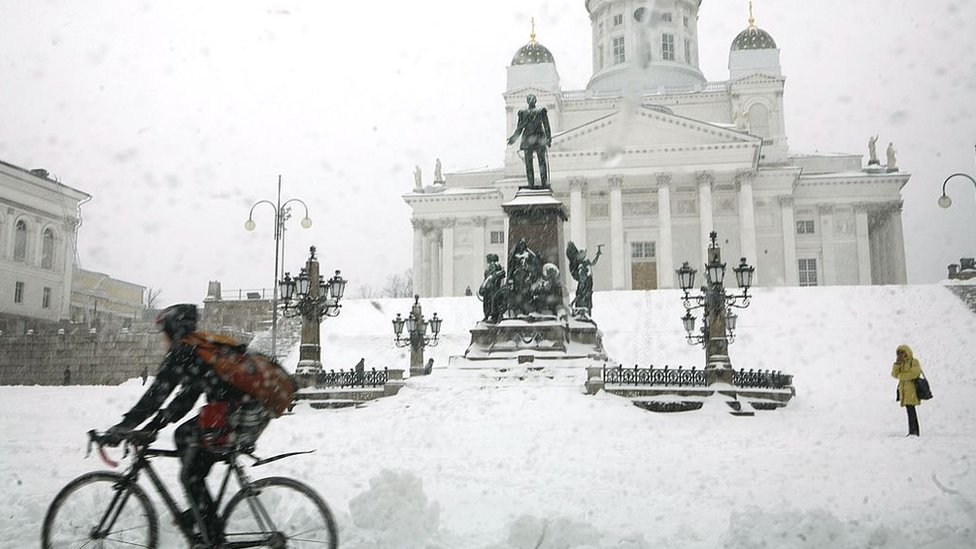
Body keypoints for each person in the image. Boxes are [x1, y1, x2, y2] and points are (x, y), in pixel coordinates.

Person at [103, 304, 266, 545]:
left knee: (190, 470)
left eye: (163, 333)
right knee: (185, 442)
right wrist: (154, 425)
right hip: (251, 413)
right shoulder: (198, 351)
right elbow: (185, 400)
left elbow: (156, 395)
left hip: (239, 414)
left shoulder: (183, 351)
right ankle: (203, 514)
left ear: (172, 329)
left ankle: (211, 533)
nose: (162, 340)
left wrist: (125, 427)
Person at [507, 94, 552, 188]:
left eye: (533, 99)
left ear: (535, 100)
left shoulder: (541, 111)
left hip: (539, 138)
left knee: (542, 162)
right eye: (529, 99)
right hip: (527, 139)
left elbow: (546, 125)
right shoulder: (522, 113)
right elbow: (519, 128)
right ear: (527, 101)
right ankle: (530, 183)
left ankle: (544, 182)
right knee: (528, 163)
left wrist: (548, 138)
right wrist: (513, 138)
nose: (531, 100)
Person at [891, 344, 922, 436]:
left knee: (911, 411)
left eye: (902, 352)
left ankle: (914, 431)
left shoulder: (914, 361)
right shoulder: (901, 363)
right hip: (904, 391)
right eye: (898, 353)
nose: (900, 355)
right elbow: (894, 374)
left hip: (912, 391)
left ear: (907, 352)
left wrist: (901, 376)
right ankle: (913, 431)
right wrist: (897, 364)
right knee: (910, 411)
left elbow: (914, 373)